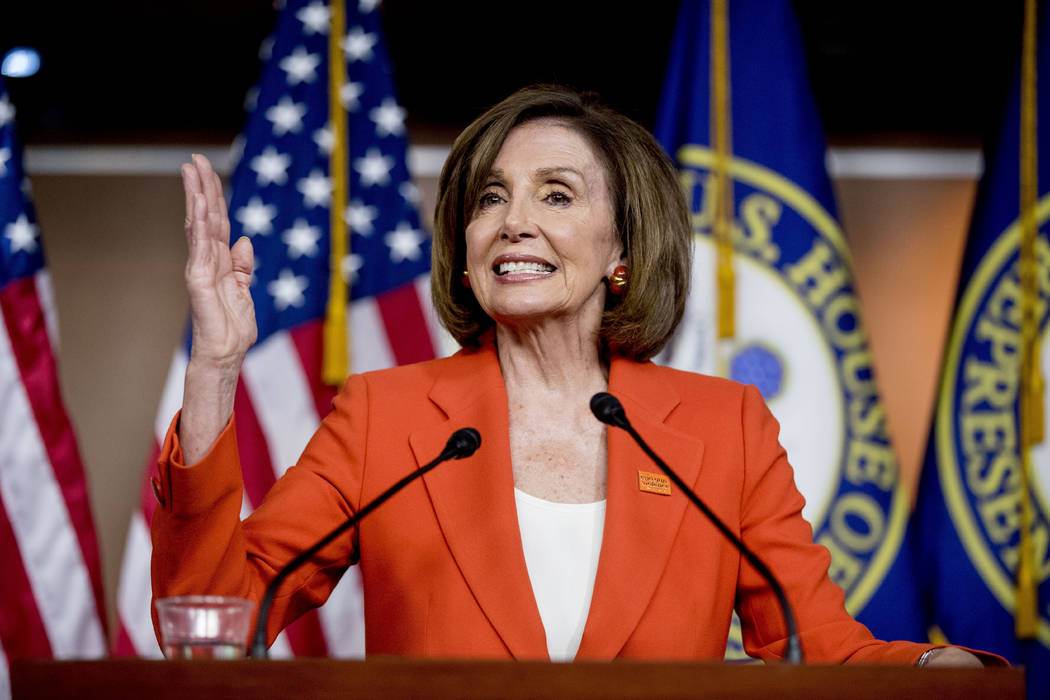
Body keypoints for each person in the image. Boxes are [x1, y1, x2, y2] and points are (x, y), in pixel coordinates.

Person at [152, 85, 985, 666]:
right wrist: (216, 370)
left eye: (556, 195)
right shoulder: (387, 416)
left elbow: (817, 642)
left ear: (622, 249)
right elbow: (220, 615)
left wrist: (929, 671)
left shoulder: (723, 427)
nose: (513, 222)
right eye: (488, 199)